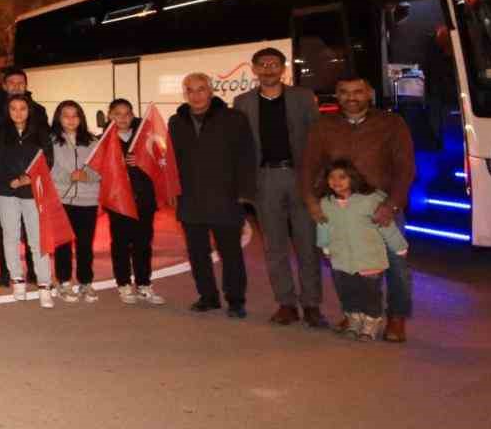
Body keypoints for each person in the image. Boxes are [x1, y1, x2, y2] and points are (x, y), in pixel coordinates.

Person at [299, 76, 416, 342]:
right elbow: (309, 166)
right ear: (337, 95)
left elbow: (405, 167)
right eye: (344, 92)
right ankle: (354, 312)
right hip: (340, 210)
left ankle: (396, 317)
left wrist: (392, 204)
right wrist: (311, 201)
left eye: (358, 91)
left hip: (381, 207)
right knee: (346, 266)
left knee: (396, 264)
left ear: (369, 94)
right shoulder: (323, 126)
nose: (351, 97)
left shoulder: (391, 123)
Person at [233, 47, 325, 327]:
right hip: (265, 180)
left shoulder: (303, 97)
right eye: (262, 64)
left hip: (301, 177)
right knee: (274, 246)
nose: (268, 69)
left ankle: (311, 304)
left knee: (307, 244)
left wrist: (320, 179)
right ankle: (286, 303)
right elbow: (240, 147)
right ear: (254, 69)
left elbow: (317, 137)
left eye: (274, 64)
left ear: (283, 68)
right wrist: (242, 185)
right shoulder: (242, 102)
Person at [169, 73, 257, 318]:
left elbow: (247, 156)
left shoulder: (234, 118)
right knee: (197, 254)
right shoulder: (176, 122)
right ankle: (208, 297)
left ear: (211, 91)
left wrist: (244, 192)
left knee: (231, 253)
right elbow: (172, 161)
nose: (196, 95)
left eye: (201, 89)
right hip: (190, 199)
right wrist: (171, 190)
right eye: (190, 90)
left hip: (225, 197)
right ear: (185, 94)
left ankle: (236, 300)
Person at [315, 159, 409, 340]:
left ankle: (371, 322)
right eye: (332, 177)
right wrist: (325, 246)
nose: (336, 181)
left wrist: (399, 247)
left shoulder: (370, 201)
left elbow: (386, 225)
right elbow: (323, 226)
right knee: (347, 291)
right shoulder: (327, 203)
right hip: (342, 258)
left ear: (353, 178)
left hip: (369, 258)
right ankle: (354, 319)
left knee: (369, 292)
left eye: (342, 177)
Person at [0, 95, 53, 305]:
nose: (18, 113)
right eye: (13, 108)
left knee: (37, 239)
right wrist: (11, 180)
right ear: (7, 111)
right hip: (6, 191)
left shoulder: (40, 132)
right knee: (11, 236)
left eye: (22, 108)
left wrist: (28, 178)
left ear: (29, 110)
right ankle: (17, 279)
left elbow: (48, 160)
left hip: (33, 190)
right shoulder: (0, 132)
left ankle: (44, 284)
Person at [105, 99, 164, 305]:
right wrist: (116, 163)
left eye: (127, 114)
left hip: (144, 199)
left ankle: (144, 283)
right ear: (109, 116)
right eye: (117, 114)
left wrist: (142, 161)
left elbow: (160, 163)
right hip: (118, 201)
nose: (122, 118)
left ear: (133, 115)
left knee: (143, 243)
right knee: (121, 244)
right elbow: (98, 169)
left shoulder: (145, 138)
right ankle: (123, 284)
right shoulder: (103, 140)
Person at [48, 100, 101, 303]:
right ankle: (64, 281)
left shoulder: (93, 141)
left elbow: (101, 167)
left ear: (81, 118)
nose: (71, 120)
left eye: (75, 115)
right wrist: (69, 177)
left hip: (88, 200)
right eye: (66, 116)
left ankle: (85, 282)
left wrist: (87, 176)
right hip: (62, 199)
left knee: (85, 244)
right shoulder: (51, 141)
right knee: (62, 244)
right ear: (58, 118)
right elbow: (49, 168)